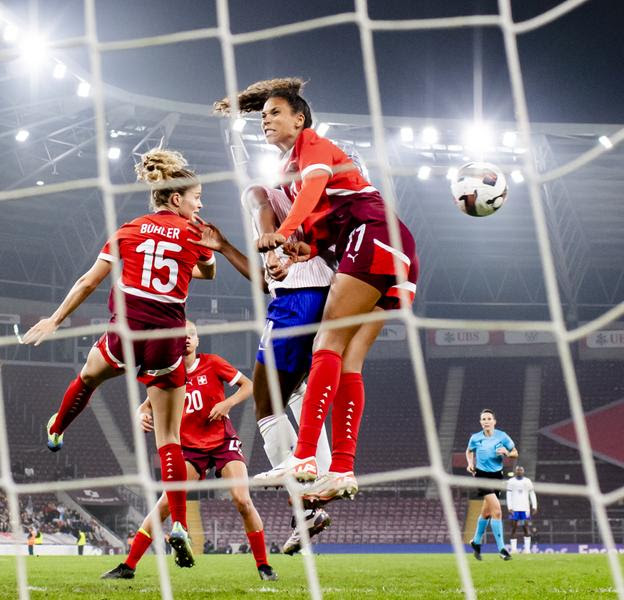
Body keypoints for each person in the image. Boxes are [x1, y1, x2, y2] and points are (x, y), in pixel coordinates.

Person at [209, 78, 419, 501]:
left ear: (300, 119)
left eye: (274, 113)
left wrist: (281, 232)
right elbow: (320, 238)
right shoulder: (294, 167)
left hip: (374, 234)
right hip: (395, 249)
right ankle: (341, 469)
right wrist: (295, 251)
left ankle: (304, 456)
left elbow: (311, 192)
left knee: (328, 341)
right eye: (263, 114)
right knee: (349, 361)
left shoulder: (314, 148)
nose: (266, 120)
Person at [23, 149, 219, 569]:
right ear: (175, 200)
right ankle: (179, 524)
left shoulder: (130, 229)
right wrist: (190, 260)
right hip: (168, 338)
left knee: (89, 378)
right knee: (169, 437)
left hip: (126, 331)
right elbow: (210, 271)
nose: (200, 204)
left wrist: (55, 319)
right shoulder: (195, 232)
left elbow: (89, 280)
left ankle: (57, 428)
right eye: (196, 197)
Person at [203, 179, 337, 555]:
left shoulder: (275, 196)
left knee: (265, 403)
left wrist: (270, 241)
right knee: (297, 391)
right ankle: (319, 483)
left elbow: (258, 199)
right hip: (317, 301)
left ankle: (307, 501)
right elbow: (265, 282)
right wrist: (226, 246)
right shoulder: (318, 216)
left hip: (296, 305)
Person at [102, 322, 277, 582]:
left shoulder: (213, 363)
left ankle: (264, 566)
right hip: (189, 448)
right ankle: (128, 565)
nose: (186, 339)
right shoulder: (167, 374)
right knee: (164, 504)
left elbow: (249, 385)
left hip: (221, 441)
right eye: (180, 336)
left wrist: (226, 404)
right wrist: (140, 415)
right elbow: (145, 407)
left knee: (242, 499)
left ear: (197, 341)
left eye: (191, 335)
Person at [466, 409, 517, 561]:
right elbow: (469, 451)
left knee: (486, 512)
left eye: (489, 418)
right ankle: (501, 548)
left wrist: (507, 453)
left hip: (497, 476)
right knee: (497, 511)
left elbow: (515, 452)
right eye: (483, 419)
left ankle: (475, 542)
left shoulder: (502, 436)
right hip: (481, 476)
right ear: (481, 422)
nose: (486, 421)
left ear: (494, 421)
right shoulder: (475, 438)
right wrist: (470, 463)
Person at [506, 466, 538, 554]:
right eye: (518, 470)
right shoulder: (511, 481)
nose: (519, 471)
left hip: (525, 509)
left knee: (526, 527)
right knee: (513, 528)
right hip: (514, 509)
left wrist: (534, 506)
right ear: (515, 471)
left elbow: (532, 494)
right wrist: (509, 507)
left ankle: (527, 549)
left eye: (521, 470)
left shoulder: (527, 481)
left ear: (523, 471)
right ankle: (513, 549)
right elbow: (508, 494)